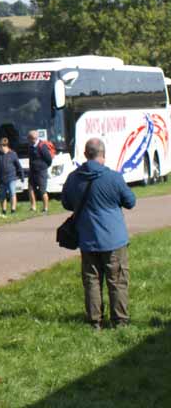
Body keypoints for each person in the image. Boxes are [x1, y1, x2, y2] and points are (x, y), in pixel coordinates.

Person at [61, 138, 135, 329]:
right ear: (103, 154)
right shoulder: (113, 177)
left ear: (86, 154)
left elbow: (67, 203)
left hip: (87, 238)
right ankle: (120, 322)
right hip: (113, 238)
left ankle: (95, 321)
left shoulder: (74, 178)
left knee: (92, 281)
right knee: (117, 281)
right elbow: (130, 201)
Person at [0, 137, 23, 216]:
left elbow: (18, 166)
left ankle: (13, 210)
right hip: (2, 179)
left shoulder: (13, 154)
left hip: (11, 177)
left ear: (4, 146)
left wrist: (21, 175)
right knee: (2, 195)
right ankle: (4, 210)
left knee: (12, 193)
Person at [27, 130, 53, 213]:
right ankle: (33, 207)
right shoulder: (30, 146)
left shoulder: (42, 146)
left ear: (32, 138)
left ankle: (45, 208)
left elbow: (49, 159)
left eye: (29, 138)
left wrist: (44, 167)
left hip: (41, 171)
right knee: (30, 188)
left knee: (42, 190)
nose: (28, 140)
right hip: (32, 171)